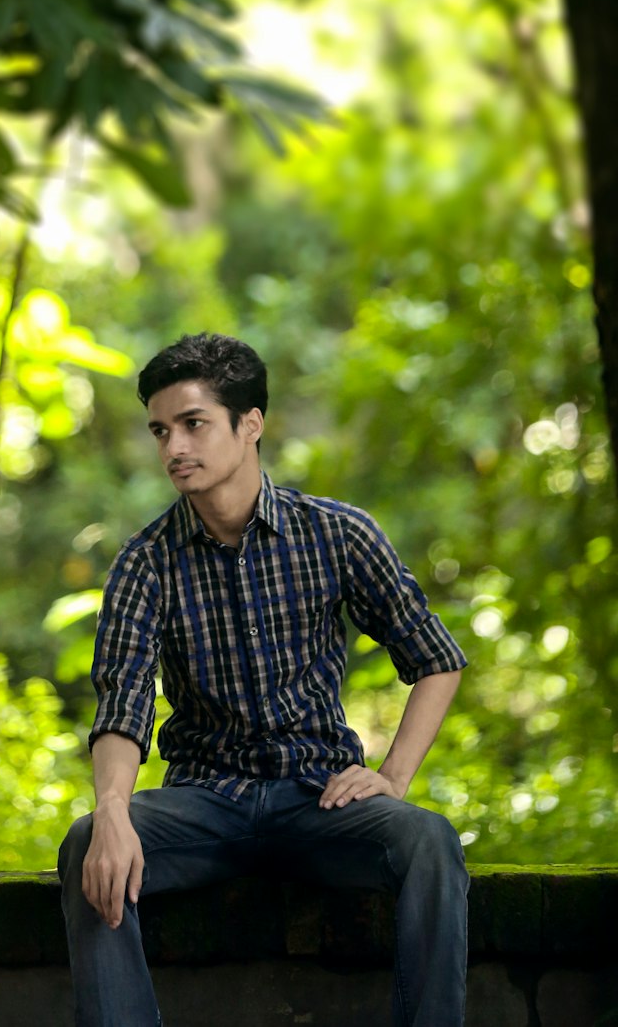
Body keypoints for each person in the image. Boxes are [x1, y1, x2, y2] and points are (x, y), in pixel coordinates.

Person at [58, 332, 469, 1027]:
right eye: (161, 431)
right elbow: (123, 705)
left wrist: (394, 777)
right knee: (87, 843)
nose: (173, 449)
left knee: (430, 840)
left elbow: (436, 658)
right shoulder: (145, 563)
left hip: (320, 801)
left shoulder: (336, 535)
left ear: (251, 425)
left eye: (193, 425)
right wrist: (113, 812)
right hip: (204, 806)